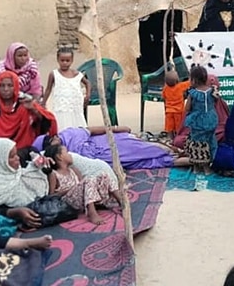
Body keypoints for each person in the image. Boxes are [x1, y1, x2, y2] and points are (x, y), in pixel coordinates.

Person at [0, 138, 49, 229]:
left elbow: (30, 150)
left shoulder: (16, 170)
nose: (18, 158)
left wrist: (44, 166)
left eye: (16, 154)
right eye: (12, 156)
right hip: (11, 227)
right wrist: (15, 212)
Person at [33, 125, 174, 170]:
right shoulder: (62, 158)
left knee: (138, 146)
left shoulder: (69, 134)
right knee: (138, 161)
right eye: (51, 141)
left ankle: (171, 150)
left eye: (53, 137)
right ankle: (181, 159)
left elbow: (93, 130)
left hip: (106, 141)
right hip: (103, 158)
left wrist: (117, 129)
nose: (56, 138)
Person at [44, 144, 122, 225]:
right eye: (67, 152)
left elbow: (83, 185)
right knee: (88, 179)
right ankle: (92, 213)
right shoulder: (54, 174)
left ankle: (121, 201)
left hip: (81, 198)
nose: (70, 155)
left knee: (103, 175)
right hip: (68, 202)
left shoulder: (73, 170)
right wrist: (70, 189)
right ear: (59, 157)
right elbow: (51, 195)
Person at [0, 70, 58, 149]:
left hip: (25, 151)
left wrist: (34, 110)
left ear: (16, 86)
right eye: (2, 86)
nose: (6, 89)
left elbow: (49, 121)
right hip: (0, 151)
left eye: (10, 85)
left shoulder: (25, 104)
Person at [173, 74, 230, 149]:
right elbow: (186, 128)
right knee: (179, 141)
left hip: (215, 136)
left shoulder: (221, 103)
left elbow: (226, 125)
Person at [43, 47, 90, 131]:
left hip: (75, 107)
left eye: (67, 61)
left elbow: (88, 83)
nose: (65, 63)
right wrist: (43, 102)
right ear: (58, 60)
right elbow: (48, 89)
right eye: (62, 60)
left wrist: (87, 95)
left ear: (72, 60)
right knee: (62, 128)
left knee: (77, 127)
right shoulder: (54, 74)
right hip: (61, 107)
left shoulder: (76, 74)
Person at [183, 66, 218, 174]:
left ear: (193, 80)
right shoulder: (212, 91)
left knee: (196, 142)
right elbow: (215, 102)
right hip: (211, 119)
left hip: (197, 121)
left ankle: (196, 167)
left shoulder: (192, 93)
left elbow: (187, 108)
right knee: (209, 141)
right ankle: (207, 167)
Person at [162, 70, 190, 138]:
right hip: (178, 111)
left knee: (169, 127)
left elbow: (163, 96)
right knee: (178, 127)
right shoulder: (180, 86)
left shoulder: (165, 88)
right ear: (177, 80)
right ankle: (178, 138)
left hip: (169, 111)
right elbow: (190, 83)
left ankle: (170, 138)